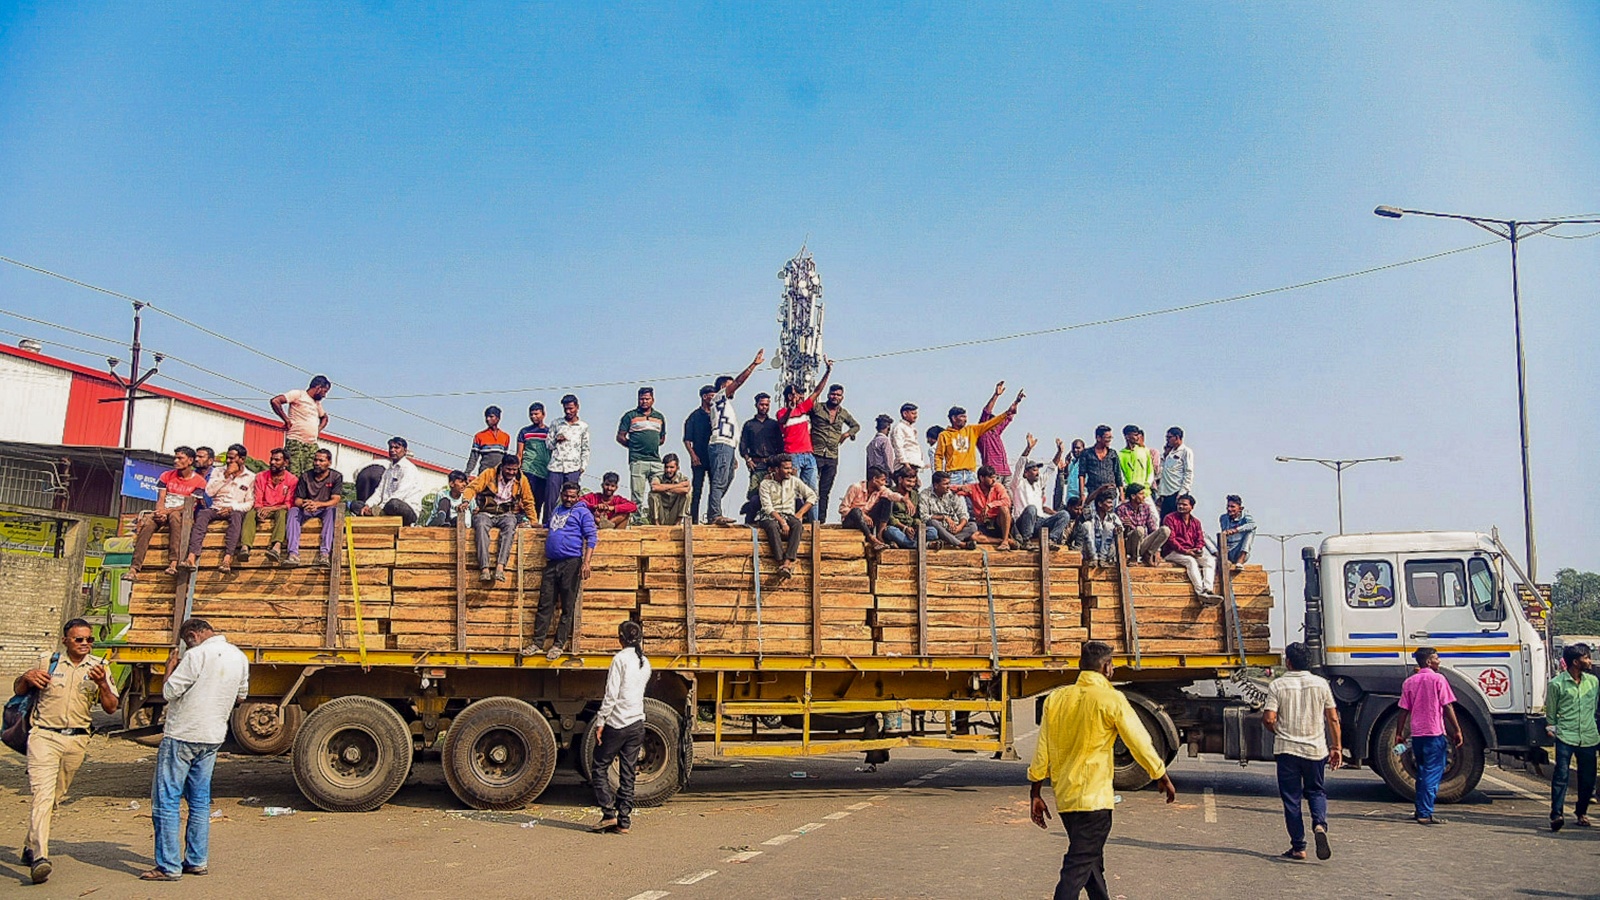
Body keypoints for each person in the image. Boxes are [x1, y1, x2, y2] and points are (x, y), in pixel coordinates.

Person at [1029, 640, 1175, 900]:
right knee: (1076, 869)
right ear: (1107, 667)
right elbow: (1139, 741)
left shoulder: (1057, 699)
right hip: (1094, 801)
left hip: (1066, 800)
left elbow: (1042, 749)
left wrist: (1036, 793)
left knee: (1091, 864)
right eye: (1113, 664)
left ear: (1079, 665)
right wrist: (1160, 774)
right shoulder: (1111, 699)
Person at [140, 618, 249, 882]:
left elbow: (169, 692)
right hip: (212, 737)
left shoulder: (195, 655)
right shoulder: (239, 656)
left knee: (167, 799)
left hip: (182, 735)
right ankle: (197, 860)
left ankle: (168, 866)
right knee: (200, 800)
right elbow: (241, 696)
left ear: (192, 635)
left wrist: (169, 668)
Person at [14, 618, 119, 885]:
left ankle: (29, 845)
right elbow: (19, 689)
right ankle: (40, 857)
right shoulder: (47, 662)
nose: (85, 644)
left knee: (55, 797)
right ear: (66, 641)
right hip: (44, 736)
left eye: (89, 640)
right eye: (79, 639)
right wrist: (26, 677)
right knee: (42, 795)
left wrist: (103, 685)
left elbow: (110, 707)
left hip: (76, 741)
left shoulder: (100, 667)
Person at [1263, 641, 1342, 862]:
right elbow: (1333, 718)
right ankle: (1319, 824)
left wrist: (1278, 730)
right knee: (1316, 791)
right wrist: (1336, 747)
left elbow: (1269, 718)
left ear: (1288, 662)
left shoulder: (1277, 685)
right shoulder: (1321, 684)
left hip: (1287, 750)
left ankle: (1299, 846)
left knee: (1292, 799)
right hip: (1315, 749)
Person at [592, 620, 652, 835]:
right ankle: (624, 821)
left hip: (618, 723)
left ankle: (609, 814)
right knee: (628, 772)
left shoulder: (619, 659)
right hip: (637, 723)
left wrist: (601, 722)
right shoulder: (644, 662)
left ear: (620, 638)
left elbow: (611, 695)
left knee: (599, 767)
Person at [1395, 647, 1463, 825]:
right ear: (1428, 662)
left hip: (1417, 734)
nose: (1439, 661)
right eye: (1436, 658)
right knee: (1432, 773)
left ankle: (1420, 809)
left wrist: (1399, 733)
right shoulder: (1438, 679)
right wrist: (1457, 729)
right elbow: (1447, 706)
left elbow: (1403, 711)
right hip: (1434, 733)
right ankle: (1425, 813)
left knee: (1423, 772)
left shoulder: (1409, 682)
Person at [532, 481, 597, 660]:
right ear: (561, 494)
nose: (569, 499)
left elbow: (591, 537)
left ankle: (558, 645)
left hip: (571, 562)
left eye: (572, 497)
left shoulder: (583, 512)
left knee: (567, 606)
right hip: (552, 562)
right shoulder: (557, 509)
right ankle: (537, 643)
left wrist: (586, 562)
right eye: (566, 496)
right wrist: (533, 526)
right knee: (545, 603)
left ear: (577, 497)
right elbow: (549, 526)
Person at [129, 446, 208, 579]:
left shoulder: (199, 481)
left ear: (190, 460)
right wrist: (160, 512)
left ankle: (173, 562)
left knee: (174, 517)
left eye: (180, 458)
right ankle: (134, 568)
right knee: (147, 523)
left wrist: (168, 511)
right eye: (175, 457)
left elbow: (190, 505)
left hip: (182, 513)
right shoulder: (166, 476)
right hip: (164, 510)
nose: (176, 461)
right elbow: (161, 498)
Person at [705, 350, 764, 526]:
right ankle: (715, 514)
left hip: (728, 446)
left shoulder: (726, 406)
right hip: (721, 443)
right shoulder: (719, 398)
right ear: (723, 387)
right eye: (730, 386)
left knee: (727, 478)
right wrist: (753, 365)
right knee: (719, 479)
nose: (734, 389)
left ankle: (714, 510)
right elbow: (739, 381)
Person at [1546, 642, 1597, 831]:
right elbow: (1551, 713)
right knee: (1561, 775)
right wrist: (1552, 729)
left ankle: (1581, 812)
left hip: (1589, 736)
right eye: (1586, 658)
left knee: (1588, 778)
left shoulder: (1593, 683)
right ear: (1576, 662)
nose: (1590, 661)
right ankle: (1556, 814)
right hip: (1566, 736)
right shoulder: (1556, 684)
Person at [463, 455, 536, 583]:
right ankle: (484, 568)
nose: (512, 473)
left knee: (510, 525)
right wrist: (466, 501)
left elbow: (528, 501)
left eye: (514, 470)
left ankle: (500, 567)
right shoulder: (489, 474)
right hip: (486, 511)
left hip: (505, 513)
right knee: (480, 525)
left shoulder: (521, 479)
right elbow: (472, 487)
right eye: (509, 469)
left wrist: (534, 521)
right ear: (502, 466)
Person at [183, 445, 255, 573]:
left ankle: (227, 558)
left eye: (232, 458)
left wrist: (232, 507)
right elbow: (209, 492)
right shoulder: (218, 471)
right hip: (216, 507)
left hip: (235, 509)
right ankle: (191, 557)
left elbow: (249, 503)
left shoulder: (250, 477)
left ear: (242, 459)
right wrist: (226, 475)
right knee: (202, 515)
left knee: (237, 518)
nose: (228, 461)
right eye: (227, 458)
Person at [775, 358, 835, 504]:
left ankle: (814, 523)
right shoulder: (781, 412)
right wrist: (791, 407)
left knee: (812, 492)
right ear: (790, 396)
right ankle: (796, 520)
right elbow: (783, 421)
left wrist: (828, 371)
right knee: (793, 491)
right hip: (793, 455)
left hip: (808, 454)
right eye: (797, 394)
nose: (800, 397)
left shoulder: (803, 409)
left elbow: (817, 391)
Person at [934, 392, 1018, 486]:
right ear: (953, 418)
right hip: (954, 475)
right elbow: (939, 456)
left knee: (974, 500)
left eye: (965, 417)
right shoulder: (944, 435)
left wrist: (1007, 413)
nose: (965, 419)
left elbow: (990, 423)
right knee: (955, 500)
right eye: (962, 416)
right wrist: (939, 473)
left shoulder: (971, 430)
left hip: (970, 474)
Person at [756, 453, 816, 579]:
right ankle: (780, 561)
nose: (790, 471)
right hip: (770, 515)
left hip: (789, 514)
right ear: (777, 469)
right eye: (786, 468)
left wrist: (799, 514)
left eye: (790, 467)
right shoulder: (765, 484)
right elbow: (768, 508)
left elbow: (812, 496)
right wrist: (782, 522)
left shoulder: (794, 481)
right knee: (772, 526)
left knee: (798, 525)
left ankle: (788, 563)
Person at [808, 383, 860, 524]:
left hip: (832, 455)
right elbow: (801, 412)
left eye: (838, 395)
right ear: (828, 394)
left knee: (825, 490)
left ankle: (821, 520)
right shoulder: (817, 408)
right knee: (810, 489)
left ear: (842, 397)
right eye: (833, 394)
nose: (835, 397)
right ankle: (808, 517)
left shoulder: (843, 413)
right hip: (815, 453)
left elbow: (856, 425)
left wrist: (847, 434)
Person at [616, 387, 667, 525]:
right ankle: (637, 521)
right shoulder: (630, 416)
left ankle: (657, 521)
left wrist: (651, 444)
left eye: (647, 399)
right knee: (637, 494)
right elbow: (620, 437)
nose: (644, 401)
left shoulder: (659, 417)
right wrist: (633, 447)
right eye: (642, 399)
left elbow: (662, 439)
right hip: (638, 460)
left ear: (652, 399)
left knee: (659, 492)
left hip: (656, 460)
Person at [1010, 436, 1071, 549]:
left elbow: (1051, 468)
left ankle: (1051, 540)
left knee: (1064, 514)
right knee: (1031, 508)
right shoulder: (1018, 483)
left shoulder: (1039, 484)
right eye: (1034, 470)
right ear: (1026, 473)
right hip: (1023, 521)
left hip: (1039, 522)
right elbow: (1019, 465)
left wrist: (1060, 452)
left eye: (1038, 470)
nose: (1037, 472)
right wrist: (1028, 448)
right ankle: (1026, 541)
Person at [287, 448, 343, 566]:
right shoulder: (305, 476)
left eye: (321, 461)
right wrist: (306, 504)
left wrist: (318, 504)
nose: (317, 463)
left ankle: (324, 554)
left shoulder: (336, 477)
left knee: (332, 511)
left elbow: (336, 499)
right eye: (315, 460)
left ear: (329, 462)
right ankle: (293, 553)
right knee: (293, 511)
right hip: (307, 509)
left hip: (324, 509)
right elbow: (297, 500)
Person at [1162, 494, 1220, 602]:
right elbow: (1171, 540)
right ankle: (1200, 592)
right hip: (1173, 552)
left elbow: (1200, 539)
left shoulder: (1196, 522)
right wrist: (1186, 551)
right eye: (1179, 504)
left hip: (1191, 551)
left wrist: (1198, 549)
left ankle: (1208, 589)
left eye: (1184, 504)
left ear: (1191, 507)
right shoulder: (1170, 518)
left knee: (1210, 560)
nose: (1181, 507)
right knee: (1191, 561)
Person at [270, 375, 331, 476]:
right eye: (324, 391)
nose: (324, 395)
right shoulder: (298, 394)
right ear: (318, 388)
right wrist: (286, 420)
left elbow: (325, 418)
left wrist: (317, 430)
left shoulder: (317, 404)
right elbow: (275, 401)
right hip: (295, 441)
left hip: (311, 444)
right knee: (293, 474)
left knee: (311, 475)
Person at [545, 394, 591, 526]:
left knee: (571, 498)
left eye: (571, 408)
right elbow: (548, 444)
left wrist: (583, 466)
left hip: (574, 467)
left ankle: (570, 524)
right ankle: (548, 524)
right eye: (566, 409)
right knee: (551, 498)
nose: (568, 411)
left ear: (577, 407)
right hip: (556, 466)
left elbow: (585, 448)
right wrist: (555, 439)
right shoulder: (556, 423)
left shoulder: (583, 426)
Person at [359, 438, 425, 526]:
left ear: (405, 451)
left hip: (406, 510)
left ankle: (379, 514)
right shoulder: (388, 470)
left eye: (396, 448)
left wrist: (380, 508)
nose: (392, 450)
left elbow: (400, 494)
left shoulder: (408, 469)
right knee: (357, 505)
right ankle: (378, 515)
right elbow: (379, 492)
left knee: (394, 503)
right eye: (390, 447)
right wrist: (368, 505)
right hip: (385, 508)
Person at [837, 466, 904, 551]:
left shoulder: (881, 489)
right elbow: (843, 508)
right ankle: (871, 538)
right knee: (856, 511)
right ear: (875, 479)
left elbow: (891, 495)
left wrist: (904, 499)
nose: (884, 483)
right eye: (882, 480)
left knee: (887, 501)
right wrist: (863, 515)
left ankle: (880, 534)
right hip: (852, 521)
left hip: (869, 522)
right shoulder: (856, 487)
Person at [250, 448, 298, 564]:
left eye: (277, 460)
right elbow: (258, 499)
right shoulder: (261, 476)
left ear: (285, 463)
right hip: (263, 508)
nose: (272, 462)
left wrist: (270, 509)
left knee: (282, 514)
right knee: (249, 514)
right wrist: (259, 510)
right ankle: (245, 547)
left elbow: (288, 504)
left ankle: (276, 546)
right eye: (271, 459)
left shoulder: (292, 480)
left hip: (279, 509)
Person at [977, 381, 1024, 485]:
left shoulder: (996, 432)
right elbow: (986, 412)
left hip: (1006, 471)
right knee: (995, 498)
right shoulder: (982, 433)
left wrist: (1016, 402)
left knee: (1009, 499)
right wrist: (996, 395)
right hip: (993, 473)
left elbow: (1009, 416)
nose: (996, 425)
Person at [737, 391, 783, 496]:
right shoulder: (749, 425)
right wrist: (748, 460)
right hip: (756, 465)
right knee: (754, 494)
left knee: (773, 494)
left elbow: (780, 446)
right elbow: (743, 445)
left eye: (767, 405)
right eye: (762, 404)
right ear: (756, 405)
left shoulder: (774, 425)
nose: (764, 407)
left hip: (772, 465)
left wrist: (778, 464)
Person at [1115, 484, 1170, 567]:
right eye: (1141, 494)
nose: (1144, 496)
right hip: (1128, 544)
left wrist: (1156, 547)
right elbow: (1122, 530)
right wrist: (1134, 528)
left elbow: (1152, 528)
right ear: (1133, 496)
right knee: (1139, 529)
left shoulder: (1145, 508)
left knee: (1165, 530)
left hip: (1143, 542)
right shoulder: (1121, 509)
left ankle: (1148, 555)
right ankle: (1134, 558)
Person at [515, 403, 552, 523]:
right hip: (528, 469)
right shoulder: (524, 432)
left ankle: (534, 526)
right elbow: (519, 454)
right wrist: (518, 472)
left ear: (543, 414)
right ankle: (523, 524)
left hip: (544, 472)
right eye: (531, 414)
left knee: (539, 501)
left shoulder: (549, 432)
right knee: (526, 499)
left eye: (536, 414)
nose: (533, 416)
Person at [921, 470, 977, 550]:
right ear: (936, 485)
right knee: (933, 522)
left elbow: (963, 514)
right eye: (945, 484)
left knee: (972, 526)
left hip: (953, 529)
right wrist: (944, 517)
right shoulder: (925, 495)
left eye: (949, 483)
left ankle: (947, 541)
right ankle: (961, 544)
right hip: (938, 530)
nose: (948, 486)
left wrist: (959, 527)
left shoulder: (953, 494)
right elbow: (924, 517)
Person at [963, 465, 1014, 551]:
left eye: (995, 477)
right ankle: (1001, 541)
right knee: (974, 537)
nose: (994, 480)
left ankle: (1005, 541)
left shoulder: (998, 486)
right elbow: (954, 488)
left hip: (999, 523)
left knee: (1004, 509)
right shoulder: (973, 488)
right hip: (984, 524)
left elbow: (1007, 501)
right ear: (982, 478)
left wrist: (990, 505)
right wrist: (961, 488)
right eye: (991, 477)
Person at [683, 386, 714, 523]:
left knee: (715, 489)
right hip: (699, 458)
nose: (713, 398)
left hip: (714, 457)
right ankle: (693, 520)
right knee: (697, 490)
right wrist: (693, 455)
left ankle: (712, 517)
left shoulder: (717, 415)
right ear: (704, 397)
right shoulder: (694, 416)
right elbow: (687, 439)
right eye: (711, 395)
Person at [1155, 427, 1194, 520]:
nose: (1167, 440)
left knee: (1176, 520)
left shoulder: (1186, 451)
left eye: (1169, 437)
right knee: (1165, 520)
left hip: (1177, 491)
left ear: (1177, 437)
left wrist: (1183, 492)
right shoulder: (1169, 452)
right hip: (1166, 493)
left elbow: (1188, 472)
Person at [1077, 425, 1124, 502]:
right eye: (1107, 437)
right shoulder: (1087, 453)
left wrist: (1121, 493)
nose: (1109, 440)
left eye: (1110, 437)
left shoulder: (1112, 453)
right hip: (1093, 493)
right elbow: (1082, 475)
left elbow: (1117, 474)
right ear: (1098, 438)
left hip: (1111, 494)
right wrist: (1082, 494)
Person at [881, 467, 923, 549]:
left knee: (932, 532)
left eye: (913, 482)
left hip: (911, 530)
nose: (911, 484)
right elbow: (889, 517)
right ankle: (921, 545)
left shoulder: (915, 495)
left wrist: (916, 526)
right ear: (900, 480)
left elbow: (917, 516)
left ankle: (902, 543)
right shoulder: (890, 493)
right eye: (908, 481)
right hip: (897, 528)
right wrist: (904, 528)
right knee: (890, 531)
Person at [1079, 486, 1122, 568]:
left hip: (1107, 552)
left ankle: (1103, 559)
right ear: (1100, 504)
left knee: (1109, 526)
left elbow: (1120, 529)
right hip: (1090, 551)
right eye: (1109, 503)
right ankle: (1093, 558)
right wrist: (1098, 490)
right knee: (1087, 525)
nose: (1111, 505)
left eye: (1111, 503)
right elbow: (1086, 504)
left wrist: (1117, 530)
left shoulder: (1113, 517)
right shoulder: (1091, 514)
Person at [465, 405, 512, 477]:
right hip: (484, 474)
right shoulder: (479, 436)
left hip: (499, 475)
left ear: (498, 418)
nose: (487, 419)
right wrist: (467, 473)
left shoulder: (505, 437)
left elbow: (505, 459)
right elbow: (473, 457)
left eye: (491, 416)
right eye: (486, 417)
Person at [648, 453, 692, 526]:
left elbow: (686, 490)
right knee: (653, 494)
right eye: (666, 467)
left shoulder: (682, 478)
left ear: (677, 467)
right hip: (661, 513)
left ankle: (678, 523)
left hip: (674, 512)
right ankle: (656, 524)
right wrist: (678, 486)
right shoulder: (658, 477)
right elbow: (654, 487)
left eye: (672, 467)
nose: (668, 470)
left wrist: (663, 488)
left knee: (687, 495)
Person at [1117, 426, 1158, 503]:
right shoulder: (1120, 454)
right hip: (1129, 494)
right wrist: (1127, 488)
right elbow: (1120, 475)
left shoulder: (1145, 451)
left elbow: (1150, 471)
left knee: (1153, 514)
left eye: (1137, 435)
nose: (1137, 437)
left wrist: (1146, 485)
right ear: (1127, 436)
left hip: (1145, 493)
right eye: (1135, 435)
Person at [1219, 494, 1256, 568]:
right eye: (1228, 506)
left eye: (1232, 507)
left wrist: (1236, 530)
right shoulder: (1223, 518)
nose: (1229, 509)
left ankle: (1240, 560)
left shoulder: (1245, 516)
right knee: (1204, 535)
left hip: (1239, 550)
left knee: (1251, 531)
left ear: (1240, 508)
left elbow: (1253, 525)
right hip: (1227, 552)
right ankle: (1220, 558)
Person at [889, 402, 924, 473]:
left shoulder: (911, 428)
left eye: (916, 414)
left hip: (914, 464)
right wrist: (906, 464)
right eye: (913, 413)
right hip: (905, 466)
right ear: (905, 414)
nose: (916, 416)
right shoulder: (899, 427)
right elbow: (898, 446)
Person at [1054, 439, 1085, 511]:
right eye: (1073, 448)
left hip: (1080, 499)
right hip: (1069, 500)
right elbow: (1065, 480)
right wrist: (1066, 466)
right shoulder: (1072, 463)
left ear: (1083, 449)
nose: (1075, 450)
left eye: (1078, 448)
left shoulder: (1086, 463)